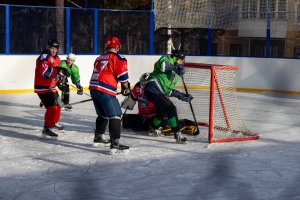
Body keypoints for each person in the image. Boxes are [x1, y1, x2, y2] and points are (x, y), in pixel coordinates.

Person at [89, 36, 131, 153]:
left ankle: (98, 137)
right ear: (117, 46)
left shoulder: (99, 58)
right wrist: (126, 88)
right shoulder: (119, 58)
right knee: (116, 115)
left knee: (103, 114)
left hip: (93, 88)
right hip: (105, 89)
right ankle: (115, 143)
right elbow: (123, 78)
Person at [144, 50, 193, 144]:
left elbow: (168, 91)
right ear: (176, 58)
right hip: (152, 87)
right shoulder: (167, 58)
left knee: (163, 112)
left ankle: (153, 128)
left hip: (158, 92)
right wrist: (175, 67)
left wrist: (181, 95)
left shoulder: (175, 75)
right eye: (181, 60)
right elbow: (162, 65)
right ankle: (177, 133)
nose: (183, 62)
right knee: (171, 108)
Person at [34, 39, 65, 139]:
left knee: (59, 106)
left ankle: (53, 123)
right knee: (52, 107)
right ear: (48, 48)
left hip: (51, 87)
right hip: (43, 87)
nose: (54, 50)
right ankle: (46, 129)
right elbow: (45, 73)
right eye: (52, 48)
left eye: (55, 48)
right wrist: (58, 71)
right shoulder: (45, 56)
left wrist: (59, 80)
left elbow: (55, 75)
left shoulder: (57, 59)